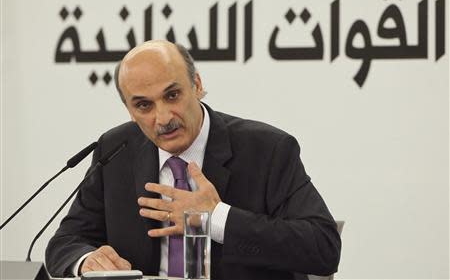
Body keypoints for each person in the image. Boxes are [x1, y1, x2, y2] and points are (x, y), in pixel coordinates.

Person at [45, 40, 341, 280]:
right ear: (129, 109)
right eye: (143, 105)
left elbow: (323, 248)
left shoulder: (268, 150)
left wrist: (218, 218)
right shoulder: (115, 150)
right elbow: (65, 242)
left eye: (172, 95)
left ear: (197, 85)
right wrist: (87, 260)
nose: (162, 118)